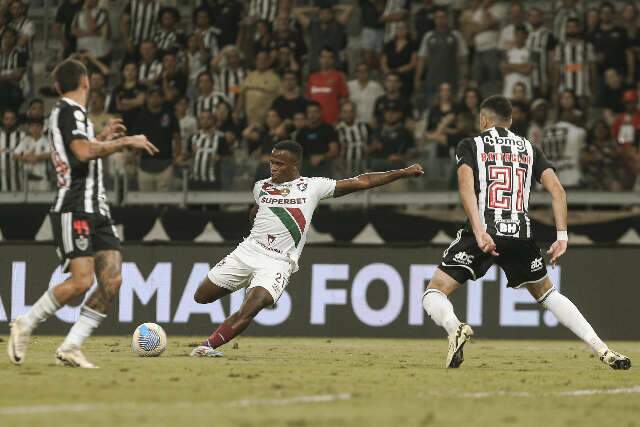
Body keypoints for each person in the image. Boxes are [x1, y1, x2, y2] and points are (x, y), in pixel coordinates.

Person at [421, 94, 631, 370]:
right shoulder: (529, 148)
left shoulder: (470, 144)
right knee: (548, 293)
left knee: (434, 292)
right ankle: (603, 350)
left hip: (484, 229)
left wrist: (479, 230)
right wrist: (562, 235)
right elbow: (557, 190)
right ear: (510, 121)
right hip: (520, 232)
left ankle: (454, 328)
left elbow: (465, 187)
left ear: (483, 119)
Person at [189, 140, 424, 357]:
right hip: (248, 251)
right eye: (271, 162)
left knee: (253, 305)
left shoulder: (313, 187)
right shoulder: (260, 187)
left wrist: (402, 173)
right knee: (201, 297)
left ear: (294, 165)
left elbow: (361, 181)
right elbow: (256, 211)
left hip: (278, 262)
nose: (273, 167)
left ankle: (207, 346)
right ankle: (243, 285)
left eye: (279, 163)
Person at [7, 59, 158, 368]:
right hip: (75, 205)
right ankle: (26, 322)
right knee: (81, 282)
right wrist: (126, 141)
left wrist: (101, 138)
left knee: (112, 281)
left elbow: (80, 151)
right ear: (86, 83)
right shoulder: (69, 110)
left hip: (96, 208)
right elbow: (82, 153)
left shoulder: (72, 115)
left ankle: (72, 345)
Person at [415, 7, 468, 108]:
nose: (440, 20)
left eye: (443, 17)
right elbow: (422, 58)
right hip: (432, 78)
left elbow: (462, 59)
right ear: (434, 19)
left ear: (447, 19)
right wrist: (417, 78)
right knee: (432, 106)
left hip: (452, 78)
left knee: (452, 106)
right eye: (438, 17)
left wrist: (464, 77)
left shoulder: (455, 35)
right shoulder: (428, 36)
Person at [132, 86, 182, 191]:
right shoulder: (141, 116)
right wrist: (134, 156)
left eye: (158, 96)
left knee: (165, 200)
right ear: (148, 98)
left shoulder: (169, 115)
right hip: (145, 163)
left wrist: (177, 155)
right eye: (152, 96)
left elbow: (177, 136)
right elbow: (136, 139)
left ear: (162, 99)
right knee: (146, 201)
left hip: (166, 162)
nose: (155, 99)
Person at [186, 109, 231, 190]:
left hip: (213, 181)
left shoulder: (220, 138)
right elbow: (187, 155)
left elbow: (227, 158)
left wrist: (219, 158)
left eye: (208, 118)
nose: (205, 121)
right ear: (199, 121)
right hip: (195, 181)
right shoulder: (193, 137)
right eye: (202, 118)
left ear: (213, 120)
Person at [236, 50, 281, 126]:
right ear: (255, 61)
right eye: (259, 59)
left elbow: (279, 99)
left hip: (267, 122)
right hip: (248, 121)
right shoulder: (249, 76)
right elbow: (241, 96)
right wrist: (236, 112)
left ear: (269, 61)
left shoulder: (275, 78)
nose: (261, 61)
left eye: (264, 59)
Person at [295, 101, 339, 178]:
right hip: (306, 168)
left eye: (315, 112)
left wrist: (321, 157)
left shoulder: (328, 129)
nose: (312, 115)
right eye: (309, 112)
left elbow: (334, 150)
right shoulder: (302, 132)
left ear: (320, 113)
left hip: (325, 166)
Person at [306, 47, 348, 125]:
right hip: (314, 123)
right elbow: (308, 100)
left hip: (333, 121)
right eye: (324, 57)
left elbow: (344, 99)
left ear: (333, 60)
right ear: (319, 59)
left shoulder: (338, 76)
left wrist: (339, 118)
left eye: (329, 57)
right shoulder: (312, 77)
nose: (326, 60)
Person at [13, 118, 51, 192]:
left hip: (43, 177)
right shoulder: (25, 140)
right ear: (29, 128)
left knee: (43, 199)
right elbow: (14, 156)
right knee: (27, 201)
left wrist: (37, 157)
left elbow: (50, 154)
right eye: (32, 126)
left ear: (42, 128)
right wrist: (26, 158)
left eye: (38, 126)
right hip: (27, 178)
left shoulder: (47, 140)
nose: (35, 129)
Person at [381, 20, 417, 97]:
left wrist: (399, 70)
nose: (400, 30)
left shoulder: (412, 45)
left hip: (405, 76)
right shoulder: (389, 44)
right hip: (390, 76)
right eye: (398, 28)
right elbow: (383, 61)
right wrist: (388, 71)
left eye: (403, 28)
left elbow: (413, 63)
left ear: (407, 30)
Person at [336, 101, 371, 176]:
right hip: (345, 167)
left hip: (364, 166)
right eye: (345, 112)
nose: (348, 115)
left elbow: (371, 144)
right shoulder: (338, 129)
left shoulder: (364, 126)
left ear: (355, 113)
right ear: (341, 114)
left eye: (351, 111)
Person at [71, 0, 112, 64]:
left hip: (98, 53)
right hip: (82, 52)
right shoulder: (78, 12)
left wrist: (87, 10)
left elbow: (92, 27)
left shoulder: (102, 12)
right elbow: (74, 31)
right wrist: (93, 34)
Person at [501, 25, 532, 99]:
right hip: (509, 90)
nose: (519, 37)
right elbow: (503, 69)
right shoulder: (507, 52)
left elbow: (527, 70)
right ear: (514, 35)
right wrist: (522, 66)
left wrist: (510, 66)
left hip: (526, 90)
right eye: (517, 34)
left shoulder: (530, 52)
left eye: (522, 35)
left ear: (526, 36)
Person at [0, 108, 26, 192]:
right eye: (6, 119)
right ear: (2, 120)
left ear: (16, 120)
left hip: (18, 178)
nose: (9, 122)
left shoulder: (22, 136)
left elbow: (26, 154)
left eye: (12, 119)